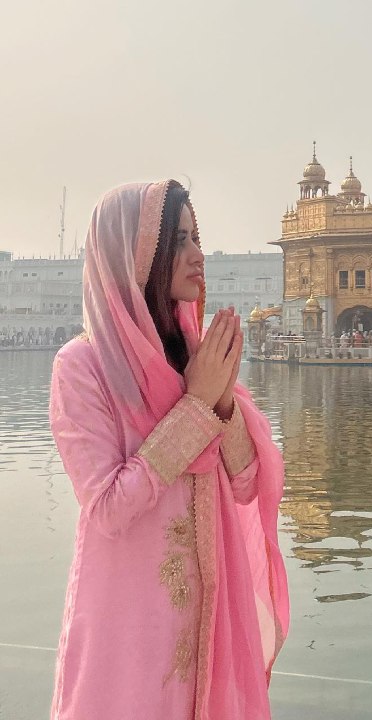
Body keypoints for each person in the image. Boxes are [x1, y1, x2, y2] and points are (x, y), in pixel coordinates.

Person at [48, 181, 289, 719]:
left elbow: (249, 483)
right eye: (178, 240)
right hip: (129, 626)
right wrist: (197, 405)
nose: (198, 255)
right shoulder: (84, 368)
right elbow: (108, 507)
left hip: (211, 619)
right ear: (135, 253)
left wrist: (221, 402)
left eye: (197, 238)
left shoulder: (194, 355)